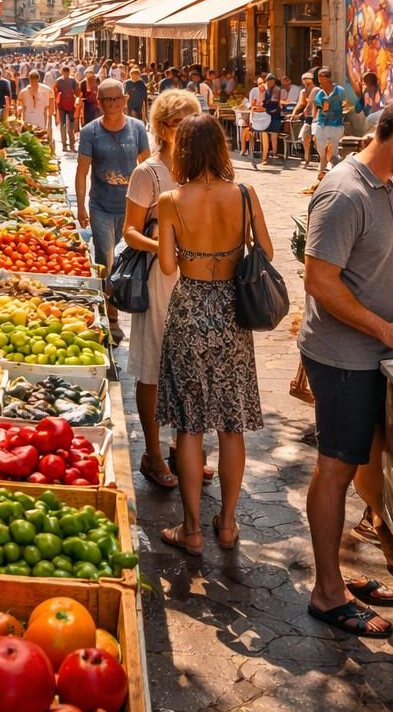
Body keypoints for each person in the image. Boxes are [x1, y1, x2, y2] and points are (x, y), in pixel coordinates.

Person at [298, 95, 393, 637]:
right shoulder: (343, 192)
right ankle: (326, 591)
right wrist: (385, 329)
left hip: (378, 355)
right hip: (344, 358)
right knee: (335, 469)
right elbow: (320, 281)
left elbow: (379, 267)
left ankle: (340, 573)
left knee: (364, 464)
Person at [154, 114, 272, 555]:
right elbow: (266, 250)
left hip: (189, 310)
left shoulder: (170, 200)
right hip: (231, 313)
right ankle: (228, 522)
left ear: (183, 151)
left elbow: (168, 266)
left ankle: (191, 529)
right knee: (231, 422)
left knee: (190, 425)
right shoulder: (244, 194)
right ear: (221, 148)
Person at [123, 89, 204, 489]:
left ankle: (182, 449)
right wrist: (164, 247)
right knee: (153, 367)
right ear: (162, 127)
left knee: (190, 367)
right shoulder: (149, 173)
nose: (186, 130)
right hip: (160, 277)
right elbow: (130, 232)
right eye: (178, 123)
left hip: (198, 279)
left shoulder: (203, 170)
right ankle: (153, 454)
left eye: (192, 122)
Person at [76, 78, 151, 343]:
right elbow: (82, 171)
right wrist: (81, 206)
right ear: (98, 102)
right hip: (101, 207)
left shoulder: (137, 128)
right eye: (106, 99)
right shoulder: (90, 132)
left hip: (132, 208)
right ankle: (112, 317)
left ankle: (135, 311)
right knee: (105, 261)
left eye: (116, 98)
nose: (111, 104)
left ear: (124, 100)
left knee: (130, 261)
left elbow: (147, 166)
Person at [312, 67, 349, 176]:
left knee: (333, 152)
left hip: (335, 124)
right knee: (322, 151)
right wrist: (314, 119)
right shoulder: (320, 93)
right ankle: (322, 172)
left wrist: (342, 108)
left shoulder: (339, 91)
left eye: (323, 81)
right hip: (322, 123)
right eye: (320, 81)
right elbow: (317, 106)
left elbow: (346, 104)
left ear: (328, 79)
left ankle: (333, 173)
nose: (321, 83)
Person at [18, 71, 55, 140]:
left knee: (40, 139)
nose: (33, 82)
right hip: (29, 119)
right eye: (32, 80)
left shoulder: (47, 90)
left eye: (34, 80)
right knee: (32, 140)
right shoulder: (23, 92)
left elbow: (51, 108)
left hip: (40, 119)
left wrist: (49, 124)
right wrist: (23, 121)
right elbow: (22, 108)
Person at [245, 75, 272, 164]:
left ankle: (265, 157)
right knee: (249, 128)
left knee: (264, 132)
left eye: (263, 83)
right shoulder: (254, 91)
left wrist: (263, 108)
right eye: (259, 83)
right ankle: (250, 151)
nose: (261, 85)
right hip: (255, 115)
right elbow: (250, 104)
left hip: (265, 115)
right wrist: (252, 105)